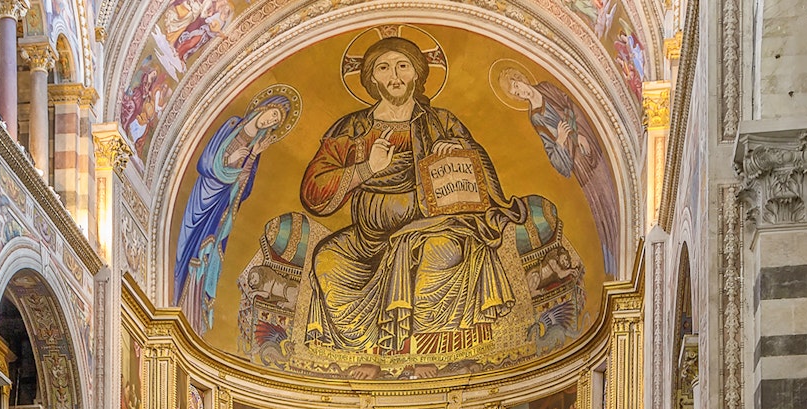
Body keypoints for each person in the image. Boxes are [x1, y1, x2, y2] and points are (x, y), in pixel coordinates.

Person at [300, 35, 531, 355]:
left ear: (417, 74)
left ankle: (431, 354)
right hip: (367, 239)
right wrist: (367, 168)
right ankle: (367, 352)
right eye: (383, 68)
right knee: (327, 258)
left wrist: (458, 149)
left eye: (403, 66)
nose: (394, 76)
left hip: (434, 227)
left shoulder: (442, 122)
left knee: (441, 252)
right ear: (371, 78)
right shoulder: (352, 128)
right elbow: (314, 190)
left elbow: (482, 179)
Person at [176, 94, 294, 334]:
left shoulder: (256, 148)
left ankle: (193, 312)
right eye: (272, 114)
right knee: (190, 247)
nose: (270, 121)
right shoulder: (232, 125)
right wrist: (229, 159)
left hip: (222, 205)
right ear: (264, 107)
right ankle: (178, 297)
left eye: (275, 121)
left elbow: (244, 188)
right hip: (204, 194)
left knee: (208, 252)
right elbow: (205, 162)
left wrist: (252, 155)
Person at [497, 68, 619, 275]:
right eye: (516, 93)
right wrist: (561, 141)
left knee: (608, 190)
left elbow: (571, 106)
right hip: (576, 160)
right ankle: (610, 256)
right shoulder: (535, 118)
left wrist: (579, 133)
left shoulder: (547, 88)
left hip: (586, 145)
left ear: (520, 78)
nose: (521, 93)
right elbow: (552, 153)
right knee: (597, 203)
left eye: (517, 86)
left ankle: (617, 237)